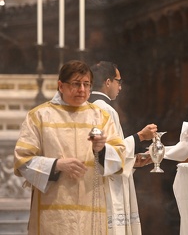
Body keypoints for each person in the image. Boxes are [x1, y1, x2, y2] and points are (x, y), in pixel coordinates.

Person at [13, 60, 126, 234]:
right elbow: (23, 160)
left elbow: (119, 157)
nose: (82, 89)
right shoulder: (39, 116)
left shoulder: (101, 117)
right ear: (61, 86)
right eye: (76, 84)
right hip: (52, 210)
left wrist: (101, 150)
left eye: (86, 84)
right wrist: (56, 165)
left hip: (91, 207)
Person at [89, 61, 157, 235]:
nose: (120, 87)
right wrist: (140, 136)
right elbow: (109, 153)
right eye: (119, 81)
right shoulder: (105, 110)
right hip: (107, 185)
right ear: (108, 82)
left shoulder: (89, 107)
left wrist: (133, 161)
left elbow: (106, 152)